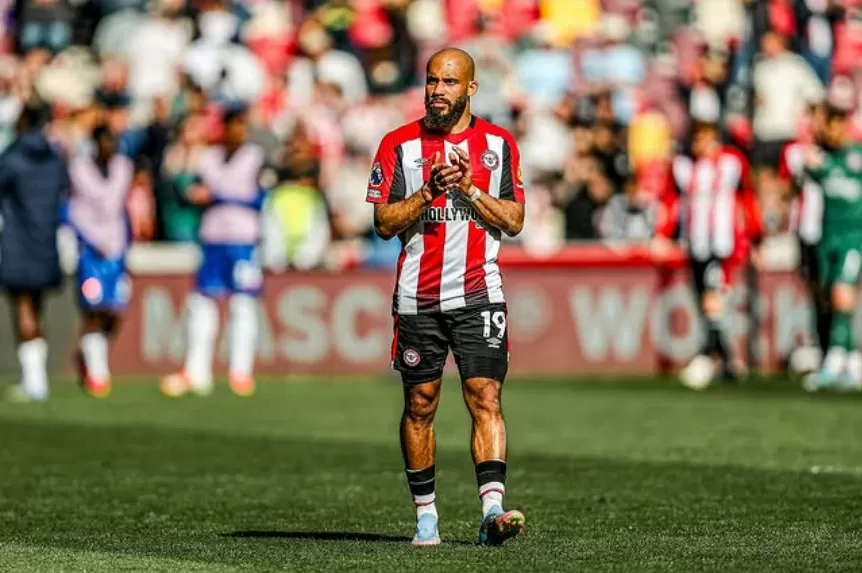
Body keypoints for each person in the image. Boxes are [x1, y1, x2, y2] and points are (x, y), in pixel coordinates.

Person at [367, 48, 526, 547]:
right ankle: (426, 518)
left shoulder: (498, 145)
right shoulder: (398, 144)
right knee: (420, 403)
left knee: (485, 396)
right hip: (419, 297)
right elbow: (383, 224)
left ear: (471, 89)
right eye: (432, 81)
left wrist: (472, 191)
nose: (438, 90)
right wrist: (428, 193)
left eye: (449, 82)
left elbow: (516, 221)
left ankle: (492, 510)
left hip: (480, 290)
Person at [160, 105, 266, 398]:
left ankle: (241, 372)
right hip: (214, 238)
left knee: (243, 305)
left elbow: (261, 198)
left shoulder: (255, 158)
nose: (238, 131)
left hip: (244, 240)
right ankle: (197, 371)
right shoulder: (209, 158)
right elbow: (186, 185)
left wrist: (221, 196)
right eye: (234, 125)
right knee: (203, 302)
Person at [654, 116, 763, 390]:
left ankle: (705, 356)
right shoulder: (683, 166)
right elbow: (672, 201)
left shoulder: (731, 163)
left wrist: (755, 234)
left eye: (706, 137)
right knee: (705, 301)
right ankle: (727, 362)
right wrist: (663, 234)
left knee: (712, 300)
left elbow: (747, 197)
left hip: (722, 244)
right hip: (696, 242)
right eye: (697, 138)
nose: (701, 144)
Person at [0, 101, 67, 402]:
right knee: (36, 307)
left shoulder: (13, 158)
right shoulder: (54, 159)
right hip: (47, 241)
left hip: (18, 242)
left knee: (23, 307)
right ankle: (36, 377)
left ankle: (34, 380)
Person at [66, 124, 135, 398]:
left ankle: (89, 353)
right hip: (90, 253)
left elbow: (119, 207)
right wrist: (92, 240)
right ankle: (97, 372)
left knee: (114, 309)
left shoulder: (123, 168)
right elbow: (73, 210)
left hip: (117, 251)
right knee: (93, 309)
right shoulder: (78, 169)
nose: (110, 147)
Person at [801, 105, 862, 391]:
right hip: (829, 237)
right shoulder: (823, 160)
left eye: (836, 126)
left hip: (854, 236)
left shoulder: (857, 157)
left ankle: (836, 358)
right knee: (831, 296)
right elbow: (802, 177)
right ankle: (850, 362)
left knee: (842, 294)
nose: (832, 132)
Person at [777, 104, 831, 369]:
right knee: (813, 289)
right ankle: (821, 345)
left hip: (832, 229)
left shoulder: (835, 151)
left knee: (831, 288)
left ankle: (835, 348)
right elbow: (785, 190)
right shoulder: (793, 153)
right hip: (805, 229)